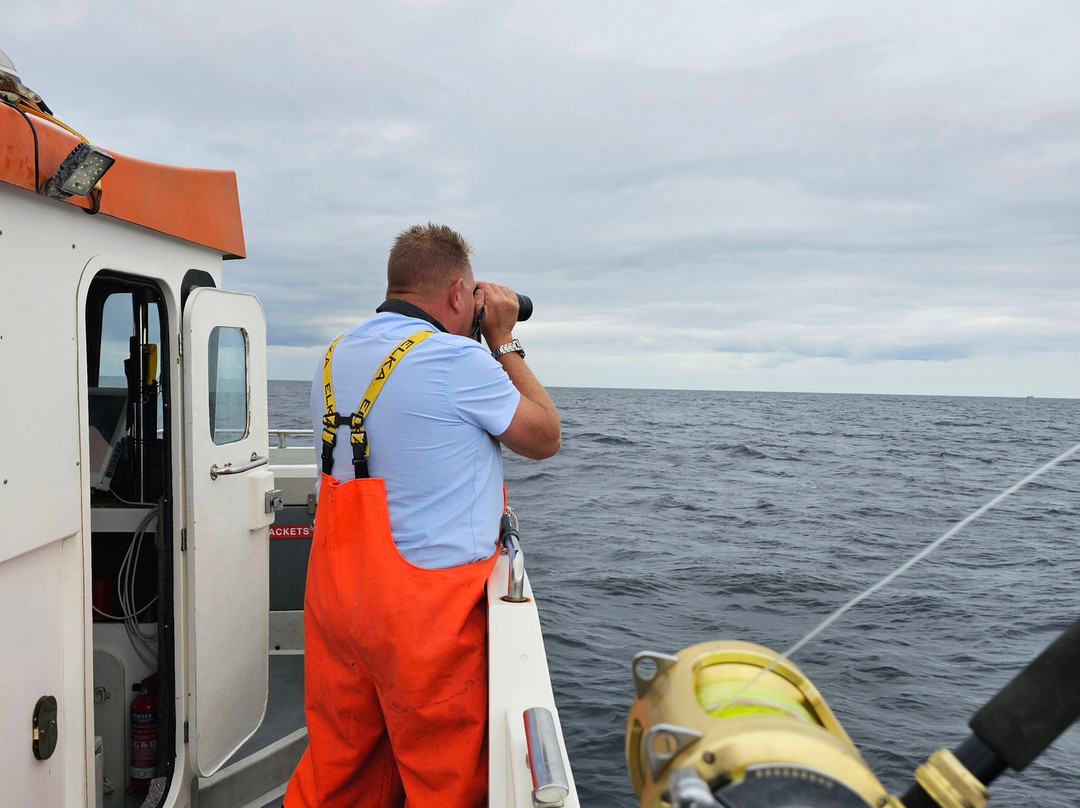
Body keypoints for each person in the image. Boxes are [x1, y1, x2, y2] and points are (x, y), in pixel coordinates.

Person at [284, 223, 561, 808]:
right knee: (443, 781)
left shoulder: (334, 356)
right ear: (459, 294)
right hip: (424, 622)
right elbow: (543, 437)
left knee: (341, 765)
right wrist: (503, 340)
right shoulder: (458, 359)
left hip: (338, 602)